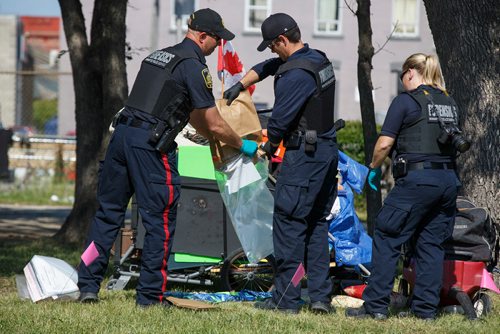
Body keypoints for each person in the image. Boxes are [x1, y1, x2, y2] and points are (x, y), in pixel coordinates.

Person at [77, 8, 258, 307]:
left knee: (107, 215)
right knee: (160, 219)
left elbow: (194, 117)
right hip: (148, 145)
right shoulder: (193, 65)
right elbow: (212, 121)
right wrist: (241, 144)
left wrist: (207, 135)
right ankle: (150, 296)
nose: (218, 47)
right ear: (202, 36)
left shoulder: (159, 56)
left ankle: (87, 285)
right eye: (217, 40)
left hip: (121, 137)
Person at [224, 13, 338, 314]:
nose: (272, 51)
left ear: (282, 40)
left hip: (304, 158)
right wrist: (241, 85)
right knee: (315, 225)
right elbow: (268, 66)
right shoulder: (317, 59)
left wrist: (267, 148)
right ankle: (320, 297)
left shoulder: (295, 76)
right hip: (326, 153)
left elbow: (279, 123)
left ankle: (286, 299)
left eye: (273, 46)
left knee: (289, 224)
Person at [346, 53, 464, 320]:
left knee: (387, 236)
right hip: (447, 182)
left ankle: (375, 306)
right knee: (431, 245)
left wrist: (373, 168)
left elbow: (385, 143)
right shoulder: (449, 102)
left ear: (411, 72)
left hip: (417, 181)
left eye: (402, 76)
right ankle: (425, 311)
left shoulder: (405, 101)